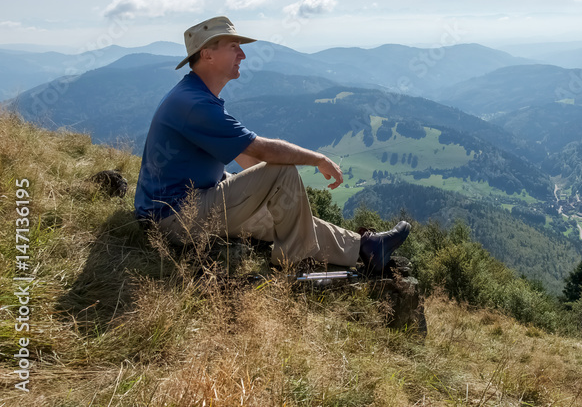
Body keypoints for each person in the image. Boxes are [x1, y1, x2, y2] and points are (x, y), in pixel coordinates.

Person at [134, 16, 409, 273]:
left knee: (280, 212)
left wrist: (274, 196)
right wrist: (318, 159)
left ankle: (365, 248)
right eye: (234, 47)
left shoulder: (195, 96)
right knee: (282, 170)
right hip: (176, 218)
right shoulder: (194, 105)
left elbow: (245, 156)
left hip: (183, 208)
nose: (242, 55)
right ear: (207, 54)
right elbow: (262, 151)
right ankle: (293, 266)